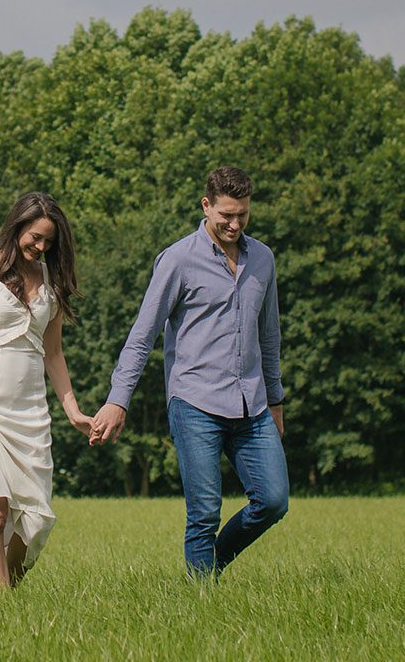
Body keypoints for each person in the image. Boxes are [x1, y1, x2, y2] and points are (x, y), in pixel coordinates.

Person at [91, 166, 289, 579]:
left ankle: (208, 566)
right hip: (194, 400)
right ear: (206, 206)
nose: (234, 224)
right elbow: (142, 336)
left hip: (251, 402)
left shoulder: (263, 260)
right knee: (204, 512)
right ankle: (202, 603)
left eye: (243, 216)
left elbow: (269, 336)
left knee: (273, 500)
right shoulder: (178, 260)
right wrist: (117, 400)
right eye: (226, 216)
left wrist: (276, 400)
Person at [0, 191, 94, 588]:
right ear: (17, 226)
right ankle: (1, 610)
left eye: (49, 242)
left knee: (37, 519)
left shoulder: (51, 280)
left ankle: (5, 592)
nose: (40, 247)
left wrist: (73, 410)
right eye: (35, 237)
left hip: (30, 409)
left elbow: (54, 353)